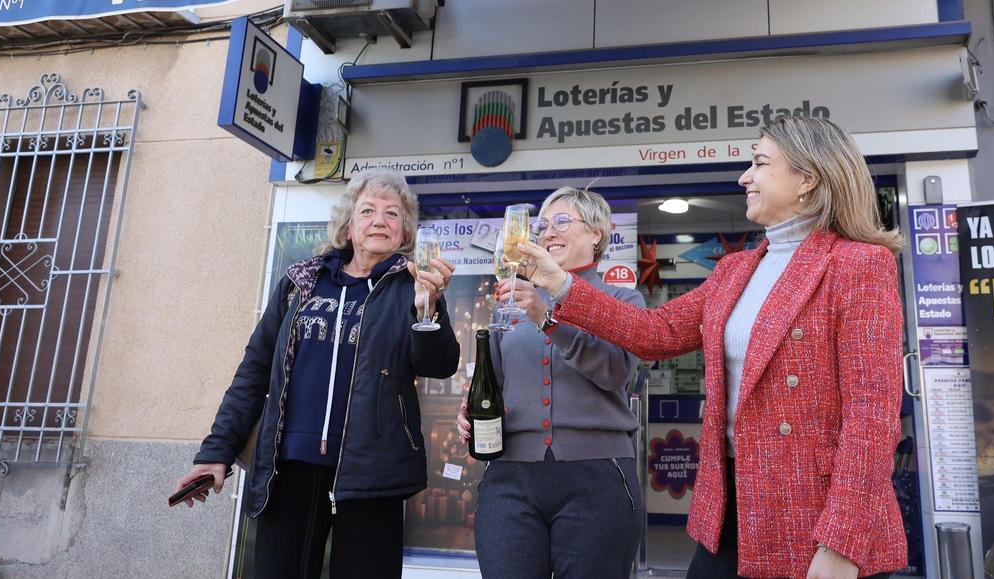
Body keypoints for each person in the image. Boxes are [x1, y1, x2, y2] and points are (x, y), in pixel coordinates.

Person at [519, 115, 907, 579]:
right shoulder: (735, 270)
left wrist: (843, 539)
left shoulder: (859, 264)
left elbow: (872, 415)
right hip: (730, 510)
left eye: (760, 162)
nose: (745, 176)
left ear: (807, 179)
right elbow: (654, 333)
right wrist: (562, 285)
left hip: (815, 514)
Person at [173, 170, 461, 578]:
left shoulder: (411, 290)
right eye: (368, 211)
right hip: (289, 469)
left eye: (392, 214)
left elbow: (439, 365)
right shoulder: (301, 283)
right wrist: (216, 452)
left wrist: (427, 310)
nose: (379, 221)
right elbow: (254, 373)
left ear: (404, 233)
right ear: (348, 225)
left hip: (371, 473)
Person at [457, 186, 645, 578]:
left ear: (597, 233)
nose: (548, 233)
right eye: (543, 226)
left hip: (599, 478)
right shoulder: (513, 302)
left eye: (562, 222)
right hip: (510, 478)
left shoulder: (625, 301)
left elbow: (615, 373)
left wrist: (547, 318)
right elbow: (491, 381)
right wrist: (472, 411)